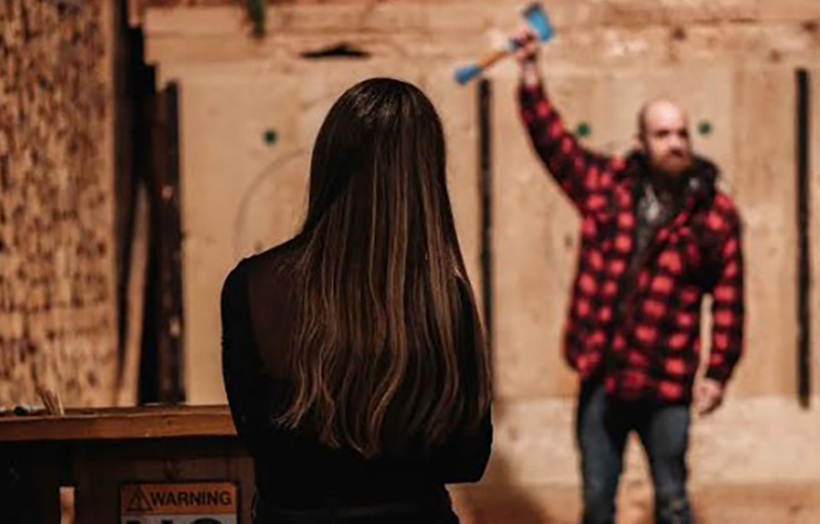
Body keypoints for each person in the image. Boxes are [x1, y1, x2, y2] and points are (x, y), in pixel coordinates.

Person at [221, 78, 493, 524]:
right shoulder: (443, 298)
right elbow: (468, 458)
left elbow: (258, 440)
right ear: (424, 179)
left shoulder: (252, 286)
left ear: (328, 160)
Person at [510, 27, 745, 524]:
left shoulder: (713, 214)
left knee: (673, 501)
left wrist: (719, 372)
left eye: (682, 133)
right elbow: (555, 145)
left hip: (667, 383)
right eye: (663, 134)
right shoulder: (607, 188)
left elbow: (729, 298)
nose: (676, 143)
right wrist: (530, 73)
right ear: (642, 140)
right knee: (597, 501)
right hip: (602, 375)